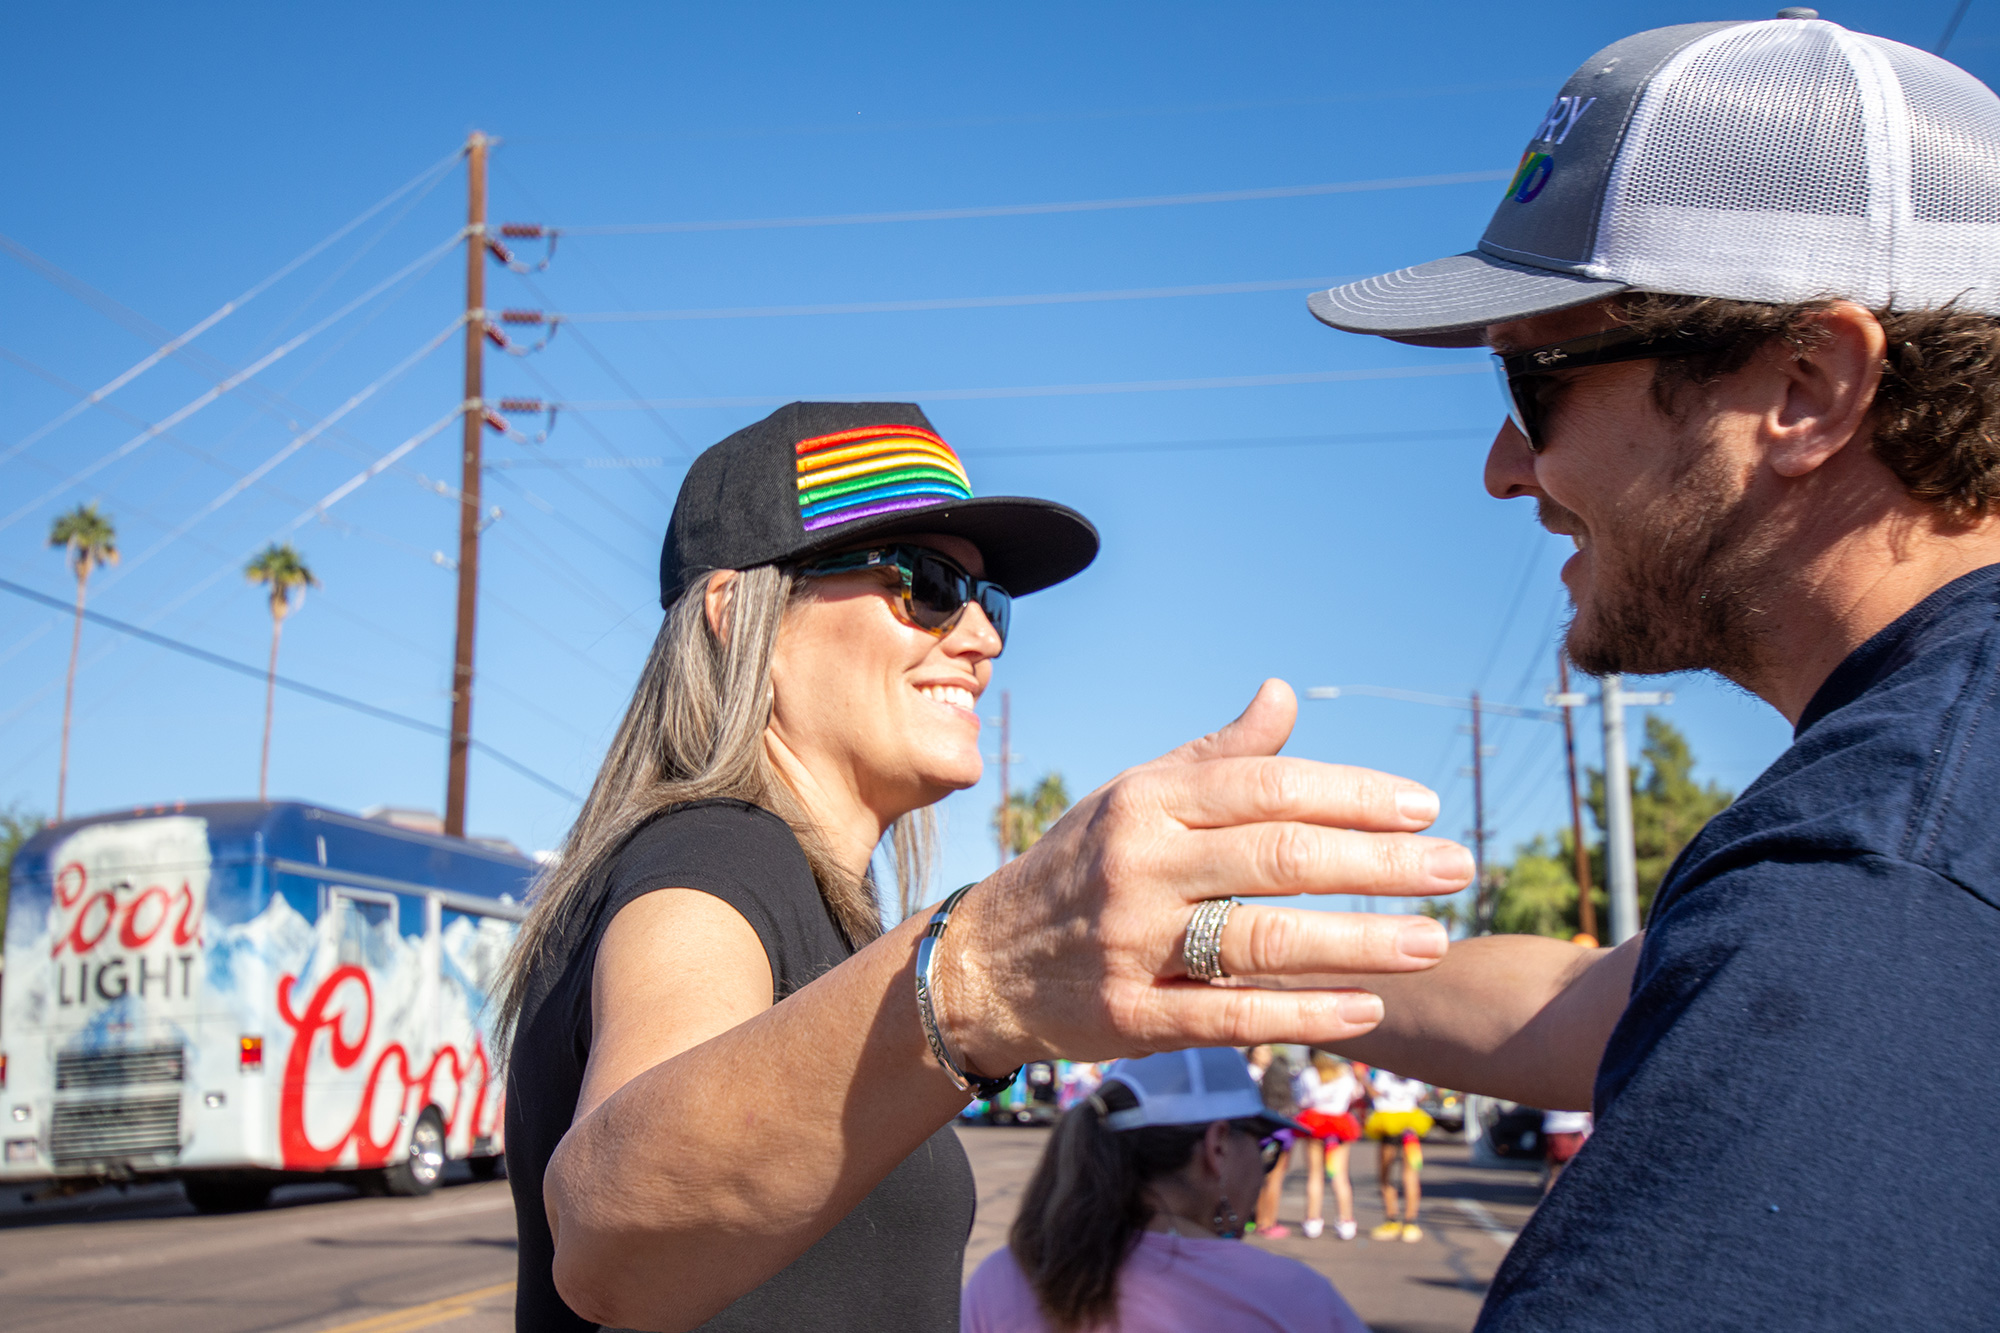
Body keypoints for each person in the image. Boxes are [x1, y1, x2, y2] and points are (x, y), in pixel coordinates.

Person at [1291, 13, 2000, 1326]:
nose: (1506, 470)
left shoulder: (1870, 883)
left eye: (1532, 382)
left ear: (1806, 384)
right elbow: (1588, 998)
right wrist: (1208, 951)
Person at [500, 401, 1473, 1332]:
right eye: (921, 582)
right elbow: (610, 1236)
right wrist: (981, 972)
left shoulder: (816, 905)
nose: (976, 638)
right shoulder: (713, 854)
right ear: (733, 609)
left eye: (987, 599)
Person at [962, 1048, 1367, 1333]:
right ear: (1218, 1146)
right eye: (1265, 1146)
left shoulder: (1003, 1278)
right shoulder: (1294, 1298)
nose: (1264, 1170)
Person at [1292, 1052, 1362, 1240]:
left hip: (1314, 1123)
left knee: (1314, 1175)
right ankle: (1346, 1222)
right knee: (1340, 1175)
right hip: (1340, 1124)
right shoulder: (1346, 1074)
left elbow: (1302, 1101)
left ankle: (1313, 1221)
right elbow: (1357, 1094)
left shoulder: (1309, 1074)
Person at [1360, 1066, 1431, 1242]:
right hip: (1411, 1125)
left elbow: (1374, 1093)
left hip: (1388, 1125)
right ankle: (1410, 1223)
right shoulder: (1415, 1074)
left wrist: (1363, 1080)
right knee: (1411, 1175)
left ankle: (1391, 1220)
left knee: (1386, 1175)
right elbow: (1423, 1096)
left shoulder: (1383, 1073)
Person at [1248, 1045, 1297, 1237]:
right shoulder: (1264, 1073)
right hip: (1274, 1130)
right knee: (1274, 1177)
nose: (1267, 1054)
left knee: (1262, 1176)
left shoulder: (1255, 1073)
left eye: (1268, 1050)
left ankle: (1259, 1219)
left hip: (1260, 1130)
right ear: (1252, 1054)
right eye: (1262, 1050)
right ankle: (1267, 1222)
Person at [1538, 1108, 1590, 1194]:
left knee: (1555, 1172)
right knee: (1575, 1171)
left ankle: (1551, 1200)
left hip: (1553, 1129)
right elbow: (1588, 1114)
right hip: (1574, 1129)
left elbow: (1543, 1111)